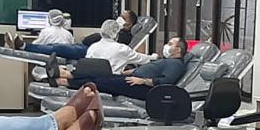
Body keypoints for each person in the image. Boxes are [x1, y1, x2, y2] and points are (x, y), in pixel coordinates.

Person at [51, 37, 187, 100]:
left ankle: (64, 80)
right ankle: (66, 74)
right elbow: (148, 69)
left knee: (102, 81)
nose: (166, 45)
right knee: (102, 73)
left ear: (178, 50)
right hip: (134, 79)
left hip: (143, 88)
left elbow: (165, 82)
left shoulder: (176, 64)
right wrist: (127, 72)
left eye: (170, 44)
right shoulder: (167, 61)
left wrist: (143, 81)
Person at [86, 19, 153, 73]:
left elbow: (87, 65)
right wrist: (153, 57)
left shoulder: (92, 47)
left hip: (93, 81)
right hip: (113, 81)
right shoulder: (122, 49)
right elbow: (143, 59)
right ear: (117, 34)